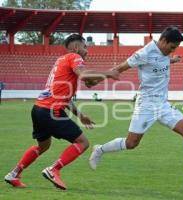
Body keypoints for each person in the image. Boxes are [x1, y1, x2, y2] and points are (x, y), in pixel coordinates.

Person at [89, 26, 183, 176]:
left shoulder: (165, 53)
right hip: (146, 105)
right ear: (163, 40)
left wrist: (172, 61)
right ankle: (100, 149)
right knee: (131, 143)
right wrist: (95, 80)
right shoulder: (144, 53)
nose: (172, 51)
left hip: (163, 105)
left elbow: (161, 61)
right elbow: (119, 68)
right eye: (172, 47)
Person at [4, 34, 119, 190]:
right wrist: (109, 73)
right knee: (83, 142)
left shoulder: (61, 61)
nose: (87, 51)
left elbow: (77, 87)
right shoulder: (74, 57)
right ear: (77, 47)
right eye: (85, 47)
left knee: (43, 146)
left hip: (38, 109)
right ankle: (53, 169)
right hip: (51, 111)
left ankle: (14, 174)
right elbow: (85, 76)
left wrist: (80, 115)